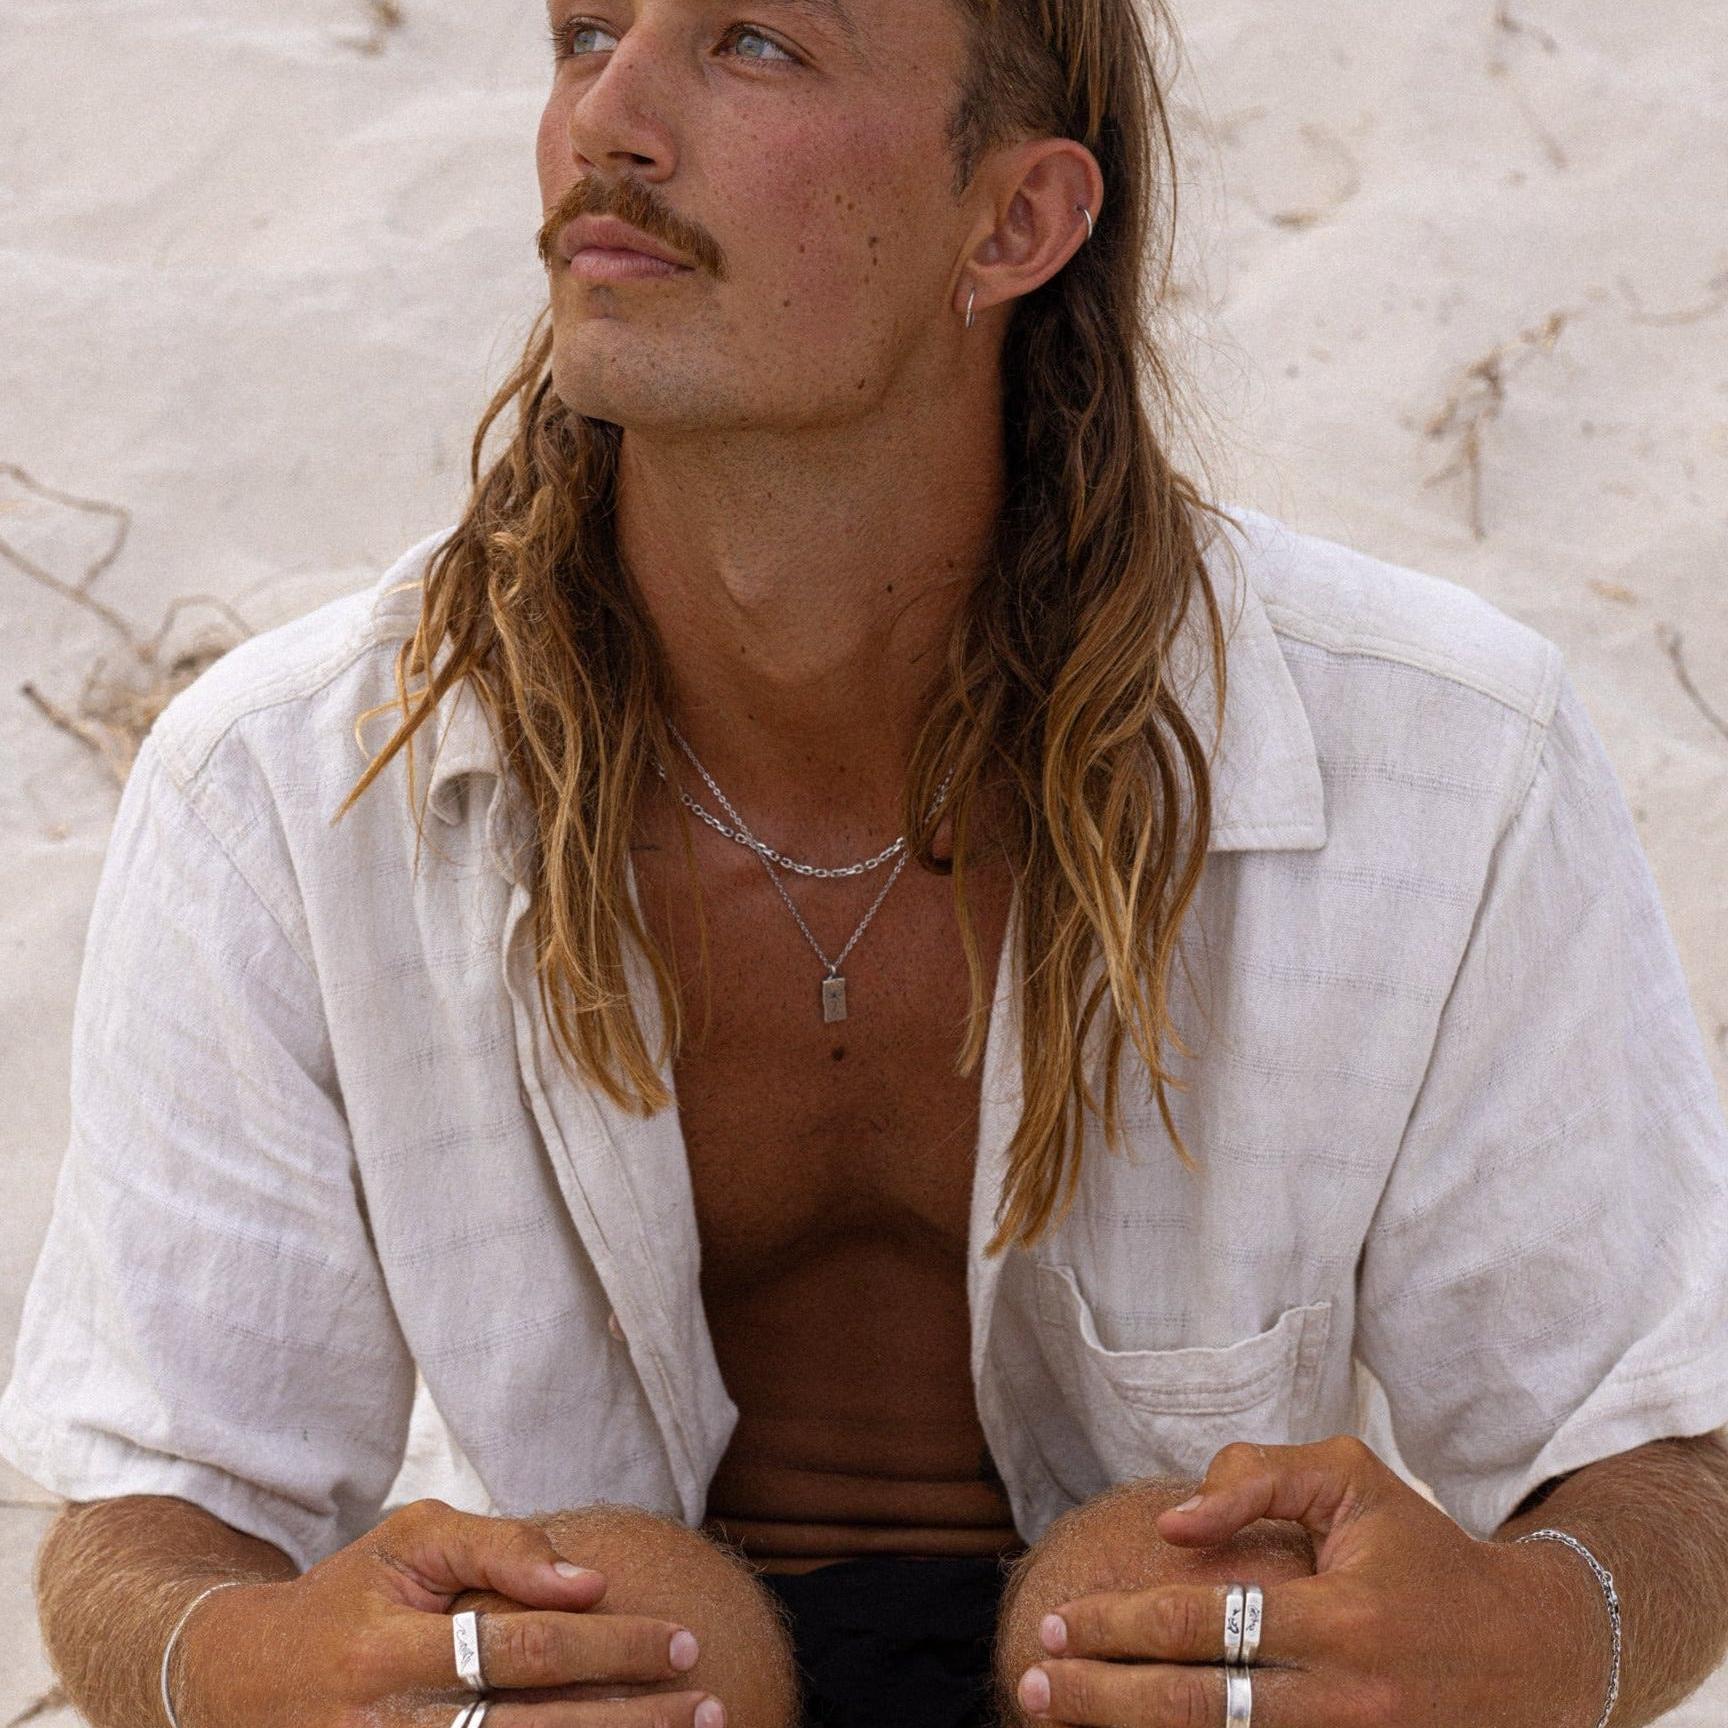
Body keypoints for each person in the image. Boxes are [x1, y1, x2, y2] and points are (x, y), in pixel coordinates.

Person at [7, 0, 1728, 1725]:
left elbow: (1661, 1452)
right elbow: (152, 1506)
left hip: (1175, 1699)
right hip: (628, 1695)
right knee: (624, 1609)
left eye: (751, 44)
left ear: (1016, 223)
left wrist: (1540, 1638)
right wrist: (244, 1662)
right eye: (583, 31)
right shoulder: (290, 779)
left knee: (1161, 1592)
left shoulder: (1440, 752)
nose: (608, 117)